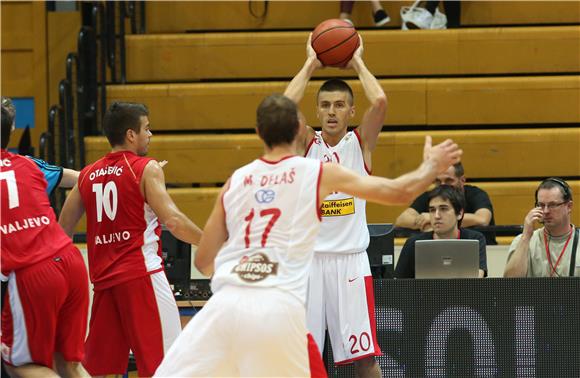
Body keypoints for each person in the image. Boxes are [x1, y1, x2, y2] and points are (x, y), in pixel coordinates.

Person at [154, 93, 462, 377]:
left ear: (258, 132)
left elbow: (206, 261)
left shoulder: (236, 181)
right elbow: (397, 192)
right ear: (302, 127)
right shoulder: (314, 173)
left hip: (224, 304)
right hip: (276, 304)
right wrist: (430, 167)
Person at [58, 102, 203, 377]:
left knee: (98, 370)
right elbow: (173, 221)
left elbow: (62, 231)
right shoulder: (146, 168)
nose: (150, 134)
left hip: (103, 284)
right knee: (170, 365)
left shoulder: (87, 175)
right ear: (130, 134)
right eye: (146, 128)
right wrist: (212, 244)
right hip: (141, 277)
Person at [283, 34, 387, 376]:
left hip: (350, 263)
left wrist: (357, 61)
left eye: (339, 105)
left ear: (351, 110)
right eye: (325, 105)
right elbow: (283, 107)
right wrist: (311, 63)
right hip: (309, 264)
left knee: (365, 358)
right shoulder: (304, 143)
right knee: (302, 358)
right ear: (317, 110)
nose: (331, 112)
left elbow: (381, 102)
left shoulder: (360, 144)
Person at [1, 107, 90, 378]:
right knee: (67, 362)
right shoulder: (28, 164)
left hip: (32, 274)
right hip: (70, 261)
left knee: (18, 364)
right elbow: (81, 179)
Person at [395, 185, 488, 278]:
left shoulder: (474, 239)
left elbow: (478, 279)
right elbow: (397, 284)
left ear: (459, 213)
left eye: (443, 209)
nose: (436, 216)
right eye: (432, 210)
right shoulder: (413, 243)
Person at [395, 161, 497, 245]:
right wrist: (429, 222)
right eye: (438, 181)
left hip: (484, 250)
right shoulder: (430, 196)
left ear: (462, 180)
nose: (443, 185)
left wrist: (434, 220)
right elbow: (401, 219)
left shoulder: (476, 194)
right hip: (439, 251)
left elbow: (482, 219)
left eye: (449, 180)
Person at [504, 178, 578, 278]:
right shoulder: (523, 241)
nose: (546, 211)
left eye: (552, 205)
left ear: (569, 206)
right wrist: (526, 237)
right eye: (541, 205)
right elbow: (509, 285)